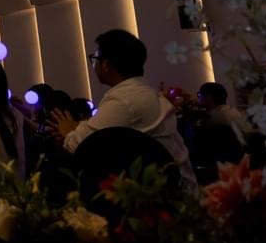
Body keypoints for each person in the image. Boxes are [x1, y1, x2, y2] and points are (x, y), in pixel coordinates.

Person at [50, 29, 196, 190]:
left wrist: (68, 131)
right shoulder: (144, 92)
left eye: (95, 59)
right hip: (178, 189)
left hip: (169, 197)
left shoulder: (124, 101)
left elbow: (80, 145)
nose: (93, 65)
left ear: (106, 64)